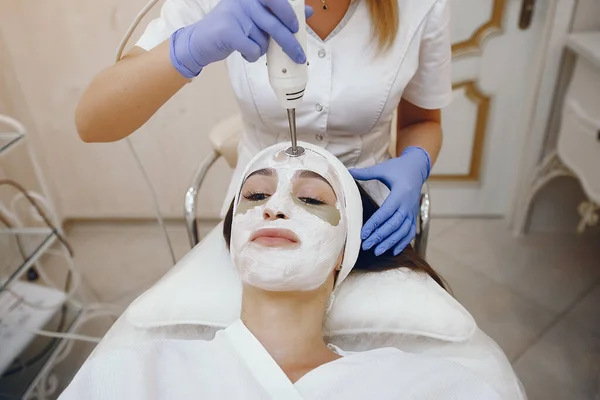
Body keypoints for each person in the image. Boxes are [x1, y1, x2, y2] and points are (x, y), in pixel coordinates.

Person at [58, 144, 500, 400]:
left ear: (344, 250)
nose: (273, 206)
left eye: (310, 199)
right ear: (233, 242)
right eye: (253, 194)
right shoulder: (133, 377)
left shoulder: (425, 387)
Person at [75, 0, 452, 256]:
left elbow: (422, 121)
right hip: (258, 212)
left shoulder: (421, 6)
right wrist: (189, 47)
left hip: (371, 210)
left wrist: (415, 162)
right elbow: (92, 122)